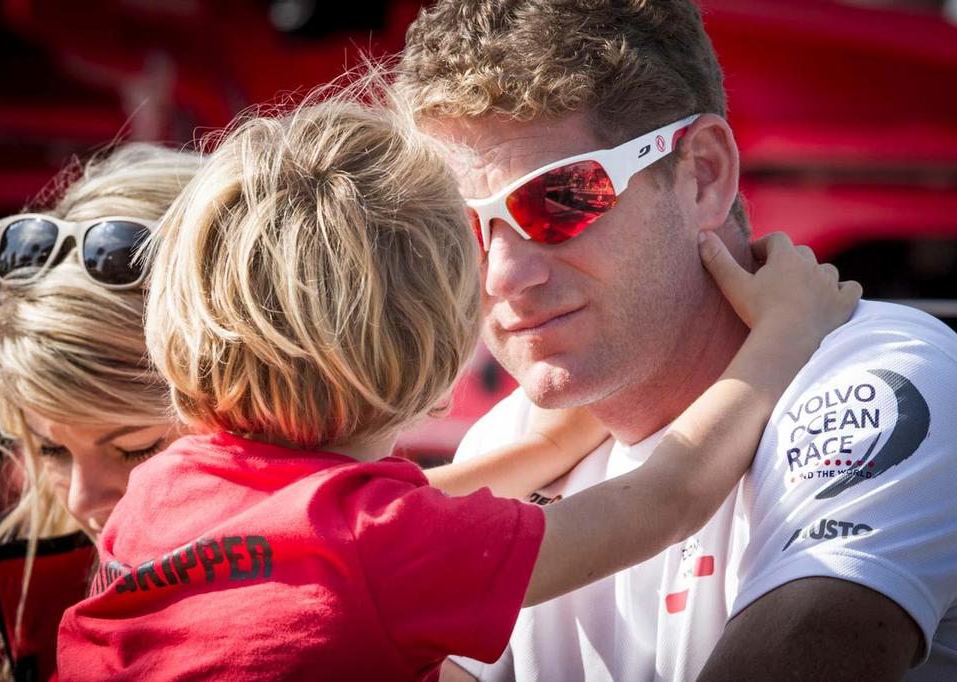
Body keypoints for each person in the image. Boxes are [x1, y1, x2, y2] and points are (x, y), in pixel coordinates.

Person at [56, 79, 856, 680]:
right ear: (439, 358)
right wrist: (782, 336)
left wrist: (573, 417)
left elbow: (364, 524)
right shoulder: (392, 550)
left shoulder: (159, 491)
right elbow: (663, 502)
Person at [395, 1, 957, 680]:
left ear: (704, 175)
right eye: (460, 231)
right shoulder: (509, 445)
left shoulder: (882, 386)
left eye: (560, 200)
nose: (506, 275)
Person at [0, 144, 203, 682]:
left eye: (135, 447)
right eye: (50, 449)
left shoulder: (397, 592)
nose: (84, 500)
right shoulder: (5, 630)